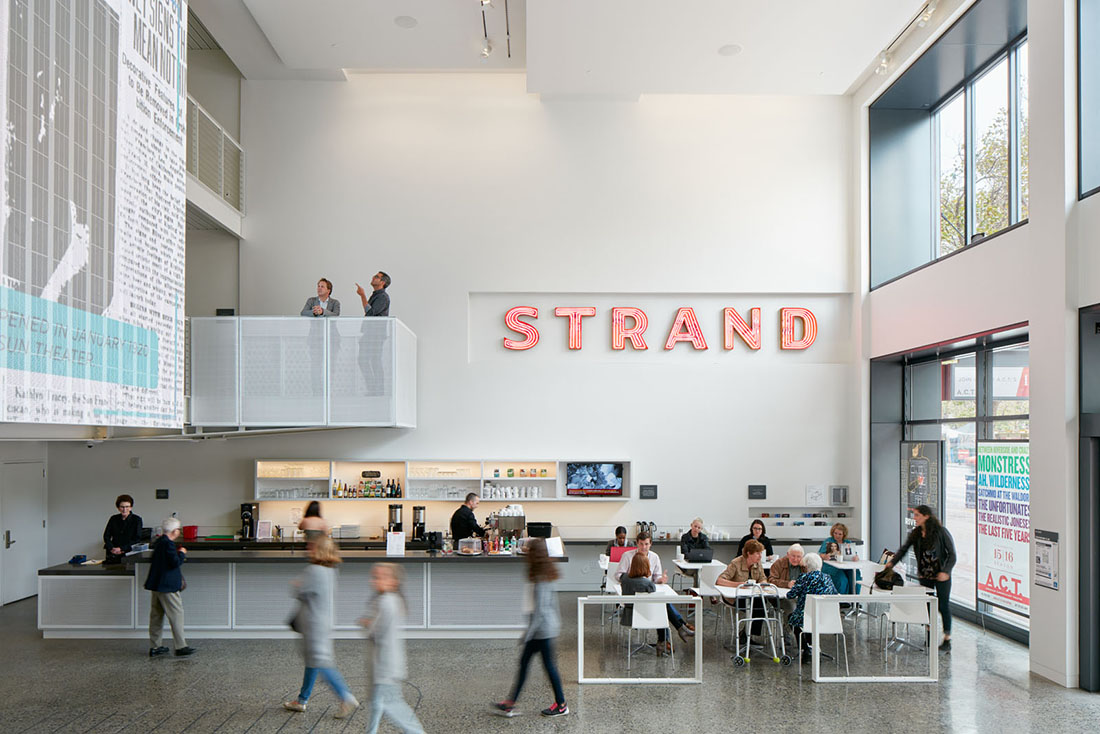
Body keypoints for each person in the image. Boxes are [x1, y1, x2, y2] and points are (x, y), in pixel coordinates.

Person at [283, 537, 359, 718]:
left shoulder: (313, 570)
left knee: (320, 661)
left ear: (318, 550)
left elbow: (297, 591)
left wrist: (296, 584)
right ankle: (302, 700)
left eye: (311, 546)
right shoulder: (331, 570)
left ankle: (345, 695)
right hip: (324, 621)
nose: (308, 548)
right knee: (313, 661)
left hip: (312, 623)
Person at [494, 538, 569, 718]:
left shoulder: (541, 578)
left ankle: (561, 704)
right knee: (527, 664)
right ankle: (511, 703)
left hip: (542, 630)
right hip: (542, 629)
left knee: (547, 667)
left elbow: (540, 611)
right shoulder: (541, 573)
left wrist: (528, 634)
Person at [360, 564, 425, 734]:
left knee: (394, 706)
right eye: (374, 577)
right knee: (377, 703)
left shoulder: (386, 602)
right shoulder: (392, 600)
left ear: (393, 582)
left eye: (380, 577)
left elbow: (377, 632)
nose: (374, 581)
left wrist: (367, 624)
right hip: (387, 664)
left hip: (385, 666)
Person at [884, 504, 957, 651]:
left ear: (926, 516)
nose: (914, 518)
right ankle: (929, 635)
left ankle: (947, 638)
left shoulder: (941, 532)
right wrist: (892, 562)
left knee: (943, 605)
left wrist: (946, 571)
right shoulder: (916, 533)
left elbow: (952, 555)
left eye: (917, 515)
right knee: (927, 605)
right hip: (925, 574)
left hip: (941, 575)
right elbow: (904, 549)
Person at [614, 531, 694, 643]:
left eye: (646, 544)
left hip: (649, 590)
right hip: (634, 593)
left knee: (662, 603)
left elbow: (657, 577)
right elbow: (618, 575)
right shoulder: (628, 556)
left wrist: (661, 579)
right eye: (641, 544)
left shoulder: (654, 557)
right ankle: (676, 629)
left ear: (650, 544)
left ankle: (668, 637)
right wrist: (633, 579)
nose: (643, 547)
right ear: (637, 543)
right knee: (662, 603)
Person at [144, 517, 195, 657]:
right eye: (179, 529)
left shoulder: (159, 542)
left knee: (156, 616)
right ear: (175, 531)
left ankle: (155, 646)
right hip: (167, 586)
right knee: (177, 615)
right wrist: (182, 553)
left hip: (156, 584)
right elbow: (174, 562)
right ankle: (180, 646)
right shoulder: (169, 545)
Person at [619, 552, 676, 655]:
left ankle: (678, 629)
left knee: (662, 605)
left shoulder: (624, 579)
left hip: (629, 616)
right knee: (662, 606)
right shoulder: (648, 584)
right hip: (647, 617)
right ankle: (665, 639)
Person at [785, 552, 838, 662]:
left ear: (806, 566)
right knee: (810, 618)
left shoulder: (804, 578)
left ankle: (806, 648)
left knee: (792, 618)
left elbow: (790, 595)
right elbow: (835, 594)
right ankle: (812, 647)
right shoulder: (827, 578)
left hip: (806, 615)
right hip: (826, 617)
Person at [716, 538, 768, 643]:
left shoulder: (758, 564)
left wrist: (763, 583)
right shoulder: (736, 563)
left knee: (762, 604)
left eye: (760, 553)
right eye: (757, 553)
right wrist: (737, 585)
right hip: (734, 597)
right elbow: (720, 580)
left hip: (752, 595)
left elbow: (763, 577)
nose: (760, 556)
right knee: (755, 606)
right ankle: (746, 635)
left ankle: (747, 634)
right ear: (749, 553)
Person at [819, 522, 859, 594]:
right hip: (832, 567)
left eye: (840, 534)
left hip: (846, 566)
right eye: (835, 533)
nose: (837, 536)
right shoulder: (828, 541)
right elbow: (821, 554)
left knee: (855, 576)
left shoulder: (848, 542)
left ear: (844, 534)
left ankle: (855, 599)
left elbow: (855, 555)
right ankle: (843, 601)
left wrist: (856, 558)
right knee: (842, 580)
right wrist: (825, 556)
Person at [103, 494, 142, 564]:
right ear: (118, 508)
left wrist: (121, 548)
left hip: (128, 552)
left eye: (127, 507)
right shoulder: (113, 518)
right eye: (122, 507)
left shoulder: (137, 520)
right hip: (112, 552)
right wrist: (112, 548)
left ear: (131, 507)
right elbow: (106, 536)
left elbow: (137, 539)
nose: (124, 509)